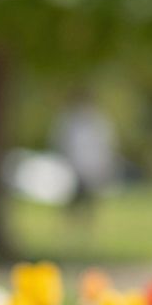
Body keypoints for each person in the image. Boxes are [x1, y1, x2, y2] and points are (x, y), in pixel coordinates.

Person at [52, 89, 117, 228]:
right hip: (74, 167)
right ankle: (70, 225)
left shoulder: (98, 121)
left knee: (89, 200)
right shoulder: (69, 120)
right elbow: (61, 143)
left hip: (92, 167)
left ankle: (86, 226)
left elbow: (106, 145)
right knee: (73, 199)